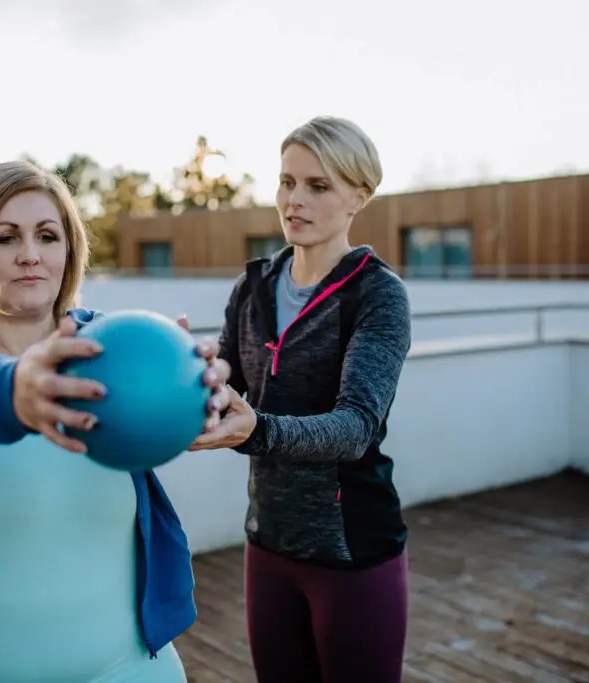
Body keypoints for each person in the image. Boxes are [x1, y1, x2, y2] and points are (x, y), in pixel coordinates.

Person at [0, 159, 232, 683]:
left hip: (122, 665)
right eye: (5, 237)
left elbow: (189, 394)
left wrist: (201, 392)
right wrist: (13, 391)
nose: (30, 254)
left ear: (68, 250)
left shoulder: (109, 344)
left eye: (47, 236)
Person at [188, 116, 413, 683]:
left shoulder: (378, 294)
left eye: (318, 186)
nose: (294, 200)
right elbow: (227, 379)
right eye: (287, 182)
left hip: (352, 550)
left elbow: (355, 427)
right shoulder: (253, 286)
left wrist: (257, 430)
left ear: (359, 196)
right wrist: (185, 372)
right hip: (267, 542)